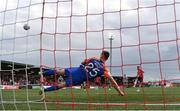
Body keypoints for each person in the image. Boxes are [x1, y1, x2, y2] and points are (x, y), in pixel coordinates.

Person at [39, 50, 124, 96]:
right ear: (107, 59)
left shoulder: (93, 58)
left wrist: (84, 64)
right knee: (62, 85)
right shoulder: (104, 70)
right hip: (79, 78)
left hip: (76, 70)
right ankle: (44, 90)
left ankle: (42, 72)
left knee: (58, 71)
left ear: (101, 55)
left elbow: (83, 62)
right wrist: (119, 92)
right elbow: (113, 81)